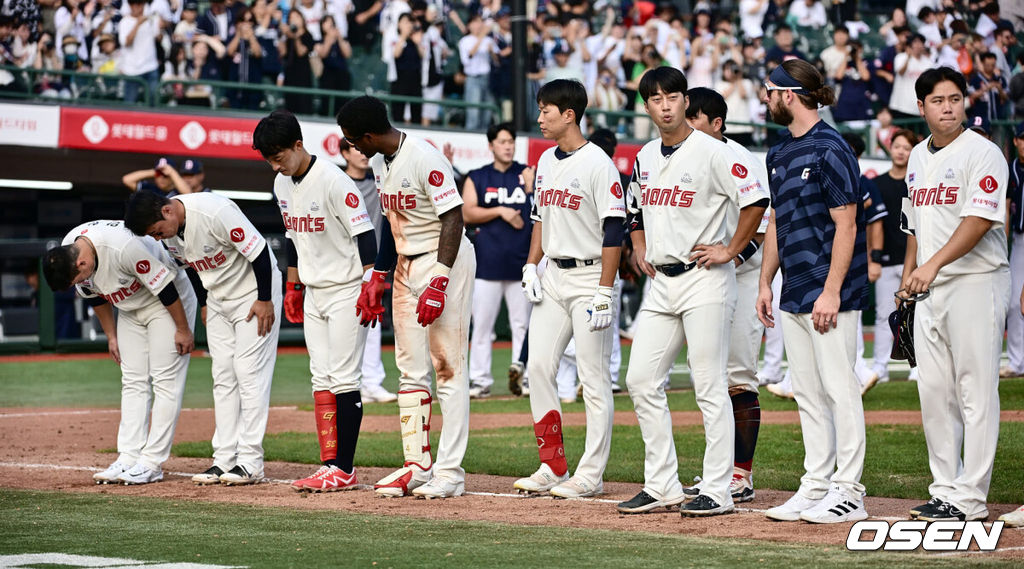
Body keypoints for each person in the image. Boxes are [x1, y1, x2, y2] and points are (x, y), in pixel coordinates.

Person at [615, 70, 767, 517]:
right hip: (662, 281)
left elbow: (755, 201)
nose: (665, 106)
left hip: (704, 278)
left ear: (684, 102)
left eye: (672, 97)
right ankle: (662, 484)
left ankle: (718, 489)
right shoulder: (644, 154)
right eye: (655, 99)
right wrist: (639, 244)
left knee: (708, 384)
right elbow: (635, 206)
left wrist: (731, 250)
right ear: (646, 106)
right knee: (640, 379)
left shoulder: (713, 150)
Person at [336, 95, 475, 499]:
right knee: (410, 370)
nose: (353, 148)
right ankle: (417, 465)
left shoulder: (424, 157)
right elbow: (391, 224)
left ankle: (450, 471)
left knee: (448, 366)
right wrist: (377, 277)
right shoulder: (380, 163)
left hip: (442, 258)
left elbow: (454, 218)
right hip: (404, 262)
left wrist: (440, 280)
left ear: (367, 135)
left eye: (352, 140)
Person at [756, 59, 870, 524]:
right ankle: (817, 484)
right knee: (806, 390)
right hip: (793, 288)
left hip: (830, 291)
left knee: (840, 389)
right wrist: (765, 281)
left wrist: (832, 291)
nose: (765, 99)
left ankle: (850, 491)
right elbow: (777, 224)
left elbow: (847, 223)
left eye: (769, 91)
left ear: (789, 94)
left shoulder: (832, 147)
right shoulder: (778, 154)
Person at [900, 66, 1010, 522]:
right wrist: (910, 275)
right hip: (929, 287)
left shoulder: (984, 153)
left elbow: (979, 221)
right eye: (938, 100)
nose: (948, 108)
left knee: (975, 390)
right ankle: (945, 488)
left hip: (975, 281)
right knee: (935, 390)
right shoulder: (917, 158)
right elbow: (914, 224)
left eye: (955, 99)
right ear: (921, 106)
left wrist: (931, 265)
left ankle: (970, 497)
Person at [252, 110, 376, 492]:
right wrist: (292, 286)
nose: (275, 164)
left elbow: (366, 236)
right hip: (314, 290)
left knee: (343, 378)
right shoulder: (282, 183)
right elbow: (291, 237)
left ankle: (344, 467)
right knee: (320, 378)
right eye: (269, 159)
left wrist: (372, 284)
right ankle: (329, 465)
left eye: (279, 156)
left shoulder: (335, 182)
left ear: (298, 145)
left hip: (345, 289)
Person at [124, 189, 282, 486]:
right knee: (222, 375)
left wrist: (264, 299)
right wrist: (207, 303)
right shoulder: (170, 234)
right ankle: (223, 460)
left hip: (253, 293)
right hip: (219, 298)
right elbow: (191, 268)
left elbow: (259, 251)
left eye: (157, 231)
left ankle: (250, 461)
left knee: (249, 373)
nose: (157, 238)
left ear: (167, 211)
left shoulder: (213, 211)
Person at [513, 79, 623, 499]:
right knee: (538, 367)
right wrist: (530, 264)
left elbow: (614, 230)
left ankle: (590, 474)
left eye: (547, 110)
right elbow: (540, 217)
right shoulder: (545, 161)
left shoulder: (598, 163)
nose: (540, 118)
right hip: (554, 276)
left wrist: (605, 290)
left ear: (569, 115)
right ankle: (552, 464)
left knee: (593, 379)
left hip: (590, 275)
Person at [40, 220, 196, 485]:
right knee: (132, 380)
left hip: (166, 301)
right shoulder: (72, 248)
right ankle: (128, 456)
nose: (77, 284)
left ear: (81, 264)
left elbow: (165, 288)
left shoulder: (122, 246)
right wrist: (111, 335)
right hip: (129, 308)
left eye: (75, 279)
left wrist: (183, 329)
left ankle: (152, 463)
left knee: (165, 382)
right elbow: (95, 295)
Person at [678, 86, 771, 506]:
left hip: (744, 277)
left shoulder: (741, 159)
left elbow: (765, 226)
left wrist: (732, 256)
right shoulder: (684, 158)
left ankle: (741, 474)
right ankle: (719, 470)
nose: (688, 124)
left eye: (695, 118)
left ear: (716, 123)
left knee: (738, 377)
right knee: (708, 378)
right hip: (701, 282)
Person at [462, 122, 534, 399]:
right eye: (502, 141)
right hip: (486, 265)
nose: (508, 146)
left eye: (511, 141)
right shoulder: (478, 176)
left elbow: (539, 211)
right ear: (491, 145)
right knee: (482, 327)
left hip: (521, 264)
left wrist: (528, 190)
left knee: (523, 327)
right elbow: (467, 213)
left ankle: (524, 378)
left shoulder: (525, 174)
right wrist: (501, 210)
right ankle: (480, 381)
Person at [339, 138, 398, 402]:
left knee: (372, 323)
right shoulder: (337, 182)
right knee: (344, 328)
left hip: (373, 264)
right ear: (343, 153)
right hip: (343, 262)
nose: (362, 154)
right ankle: (346, 382)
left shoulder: (379, 179)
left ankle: (373, 383)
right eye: (354, 148)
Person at [869, 129, 918, 382]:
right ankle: (880, 366)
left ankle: (916, 365)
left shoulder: (918, 183)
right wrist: (873, 258)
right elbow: (873, 226)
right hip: (887, 260)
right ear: (890, 148)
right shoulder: (877, 184)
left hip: (916, 262)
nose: (901, 151)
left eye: (906, 147)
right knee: (883, 315)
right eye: (897, 146)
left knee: (915, 316)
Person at [1004, 122, 1024, 379]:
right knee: (1014, 303)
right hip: (1020, 240)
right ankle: (1017, 362)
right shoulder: (1009, 170)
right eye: (1022, 138)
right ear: (1016, 141)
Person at [119, 0, 162, 104]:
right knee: (130, 103)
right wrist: (138, 24)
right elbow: (126, 43)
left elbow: (158, 38)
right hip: (132, 69)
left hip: (150, 67)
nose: (136, 6)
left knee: (153, 102)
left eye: (139, 3)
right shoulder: (124, 22)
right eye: (132, 3)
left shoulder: (151, 20)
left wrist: (161, 26)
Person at [459, 14, 497, 130]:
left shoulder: (489, 40)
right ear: (469, 25)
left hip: (488, 78)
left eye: (480, 22)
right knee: (473, 114)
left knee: (487, 115)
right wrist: (481, 36)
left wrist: (492, 52)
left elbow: (497, 61)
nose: (478, 25)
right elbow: (468, 58)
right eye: (475, 22)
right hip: (473, 79)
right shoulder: (464, 41)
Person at [122, 158, 192, 196]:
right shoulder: (149, 188)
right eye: (158, 174)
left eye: (165, 175)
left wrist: (172, 172)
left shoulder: (178, 191)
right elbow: (127, 180)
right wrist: (154, 171)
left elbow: (188, 194)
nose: (161, 178)